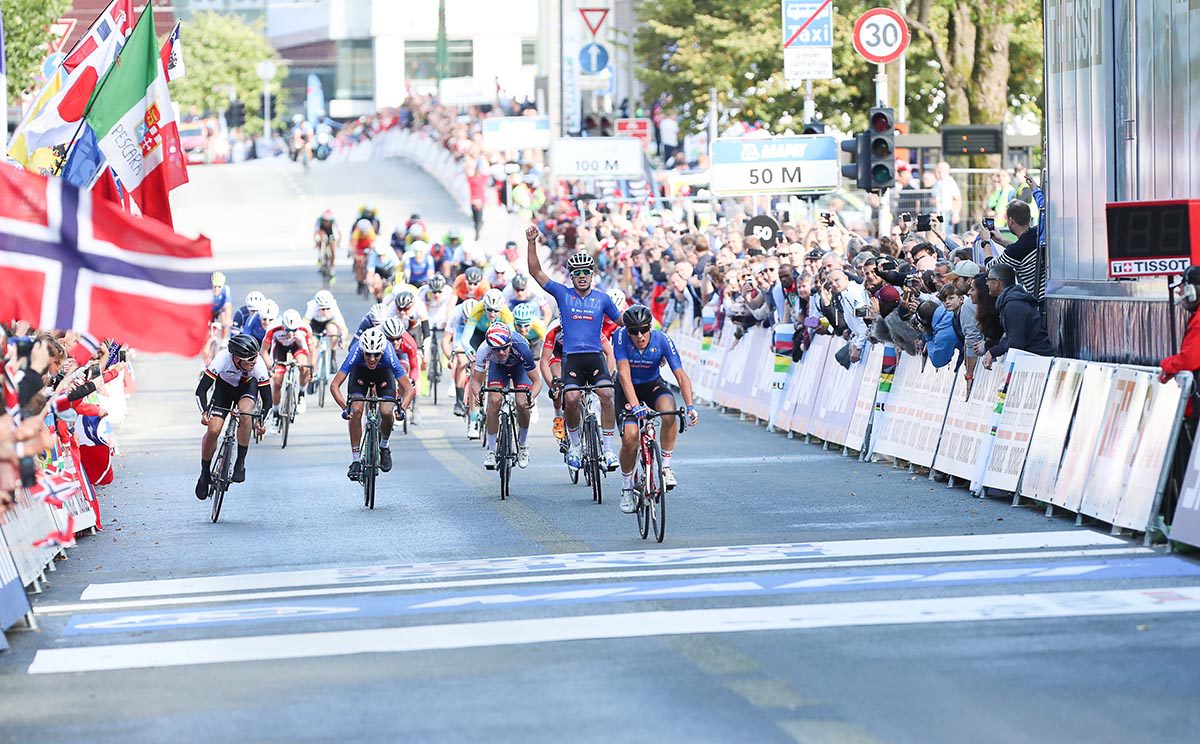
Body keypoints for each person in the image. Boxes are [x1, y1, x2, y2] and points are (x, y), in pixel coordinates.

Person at [525, 225, 623, 471]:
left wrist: (645, 326)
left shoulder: (602, 298)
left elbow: (622, 322)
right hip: (571, 359)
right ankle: (577, 445)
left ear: (592, 274)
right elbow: (535, 271)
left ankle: (609, 450)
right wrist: (531, 242)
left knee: (608, 395)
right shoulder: (562, 293)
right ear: (571, 275)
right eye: (577, 272)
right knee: (570, 398)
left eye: (586, 272)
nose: (581, 276)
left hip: (594, 357)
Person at [613, 305, 699, 513]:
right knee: (630, 438)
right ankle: (626, 488)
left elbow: (681, 375)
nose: (639, 335)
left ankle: (666, 467)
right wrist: (635, 407)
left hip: (652, 385)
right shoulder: (620, 337)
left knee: (669, 411)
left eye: (643, 329)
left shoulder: (661, 340)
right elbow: (624, 375)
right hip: (627, 389)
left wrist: (690, 406)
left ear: (650, 327)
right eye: (633, 331)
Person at [329, 327, 414, 481]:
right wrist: (344, 408)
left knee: (387, 411)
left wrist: (402, 409)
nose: (372, 359)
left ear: (382, 352)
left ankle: (384, 446)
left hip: (384, 374)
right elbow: (334, 385)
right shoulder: (355, 352)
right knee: (356, 409)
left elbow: (408, 388)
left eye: (376, 355)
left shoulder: (389, 354)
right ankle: (355, 460)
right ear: (362, 351)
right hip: (360, 373)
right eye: (368, 354)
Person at [194, 334, 270, 499]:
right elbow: (201, 391)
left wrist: (262, 422)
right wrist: (205, 412)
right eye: (249, 358)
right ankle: (204, 472)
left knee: (245, 414)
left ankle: (240, 462)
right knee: (213, 430)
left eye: (255, 357)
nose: (254, 361)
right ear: (236, 358)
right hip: (224, 390)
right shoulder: (222, 359)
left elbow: (268, 401)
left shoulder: (258, 366)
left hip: (247, 389)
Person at [469, 325, 541, 470]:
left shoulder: (521, 347)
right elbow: (476, 381)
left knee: (522, 403)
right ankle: (491, 450)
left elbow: (537, 381)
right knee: (494, 401)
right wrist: (478, 394)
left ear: (510, 343)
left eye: (504, 348)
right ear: (490, 347)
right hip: (498, 368)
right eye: (496, 349)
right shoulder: (483, 350)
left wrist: (531, 397)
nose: (501, 352)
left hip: (519, 368)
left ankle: (523, 445)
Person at [982, 264, 1054, 368]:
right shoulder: (1009, 302)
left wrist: (993, 351)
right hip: (1032, 360)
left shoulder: (1013, 305)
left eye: (988, 279)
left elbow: (1016, 342)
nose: (987, 283)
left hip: (1039, 362)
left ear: (997, 282)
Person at [986, 188, 1047, 300]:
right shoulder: (1037, 233)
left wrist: (985, 242)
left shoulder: (1016, 251)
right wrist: (1001, 240)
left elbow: (990, 268)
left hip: (1040, 301)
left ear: (1011, 220)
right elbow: (1021, 249)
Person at [263, 309, 314, 422]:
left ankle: (301, 394)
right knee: (277, 382)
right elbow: (264, 351)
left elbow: (312, 350)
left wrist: (312, 368)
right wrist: (270, 366)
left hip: (297, 347)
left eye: (294, 330)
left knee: (304, 367)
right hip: (280, 349)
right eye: (287, 330)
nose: (290, 334)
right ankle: (276, 414)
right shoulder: (273, 328)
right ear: (282, 325)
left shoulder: (305, 328)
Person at [208, 271, 233, 363]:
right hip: (208, 311)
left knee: (224, 318)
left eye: (219, 286)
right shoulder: (207, 291)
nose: (217, 289)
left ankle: (223, 341)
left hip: (220, 310)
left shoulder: (226, 289)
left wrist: (228, 320)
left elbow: (228, 306)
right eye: (214, 286)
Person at [350, 218, 376, 292]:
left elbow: (372, 245)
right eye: (362, 232)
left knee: (370, 258)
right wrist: (356, 255)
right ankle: (359, 282)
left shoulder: (371, 232)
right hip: (359, 246)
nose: (364, 233)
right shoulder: (356, 232)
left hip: (367, 245)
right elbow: (354, 246)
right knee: (359, 263)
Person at [313, 209, 341, 275]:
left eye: (328, 221)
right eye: (325, 221)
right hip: (321, 232)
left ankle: (332, 267)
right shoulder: (319, 220)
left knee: (333, 249)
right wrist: (316, 242)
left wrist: (338, 242)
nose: (326, 222)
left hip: (330, 234)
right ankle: (320, 256)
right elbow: (315, 233)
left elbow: (339, 232)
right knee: (322, 238)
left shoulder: (334, 221)